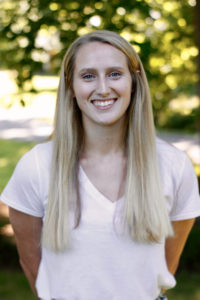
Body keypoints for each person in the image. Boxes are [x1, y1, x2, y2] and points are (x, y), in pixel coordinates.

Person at [1, 30, 200, 300]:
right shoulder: (37, 166)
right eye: (88, 76)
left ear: (134, 82)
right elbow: (32, 265)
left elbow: (166, 265)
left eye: (115, 74)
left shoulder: (174, 166)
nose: (103, 88)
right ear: (70, 86)